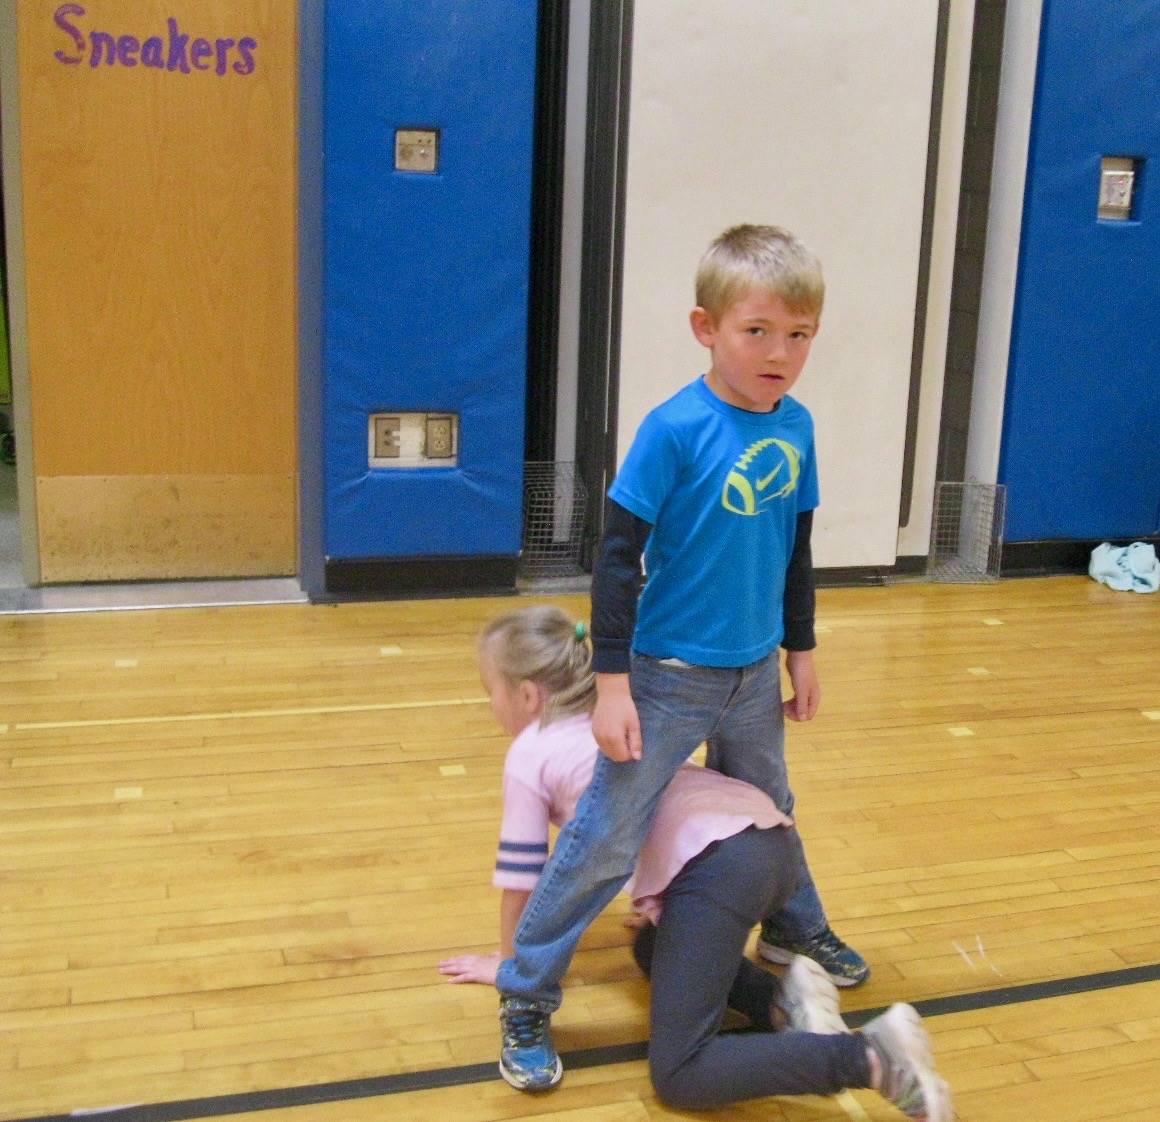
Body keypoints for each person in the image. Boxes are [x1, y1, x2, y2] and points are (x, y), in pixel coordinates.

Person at [494, 224, 868, 1090]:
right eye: (758, 331)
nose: (781, 352)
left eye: (799, 335)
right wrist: (615, 686)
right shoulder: (674, 428)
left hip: (751, 672)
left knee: (770, 806)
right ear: (707, 328)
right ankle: (525, 992)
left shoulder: (798, 425)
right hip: (665, 679)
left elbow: (795, 547)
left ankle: (791, 927)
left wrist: (800, 651)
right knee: (603, 843)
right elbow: (617, 559)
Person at [440, 606, 952, 1119]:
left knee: (682, 1074)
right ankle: (784, 999)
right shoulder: (626, 713)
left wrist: (511, 966)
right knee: (650, 947)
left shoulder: (531, 751)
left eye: (492, 694)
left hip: (720, 872)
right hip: (770, 842)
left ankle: (869, 1058)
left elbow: (523, 882)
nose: (492, 707)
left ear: (527, 695)